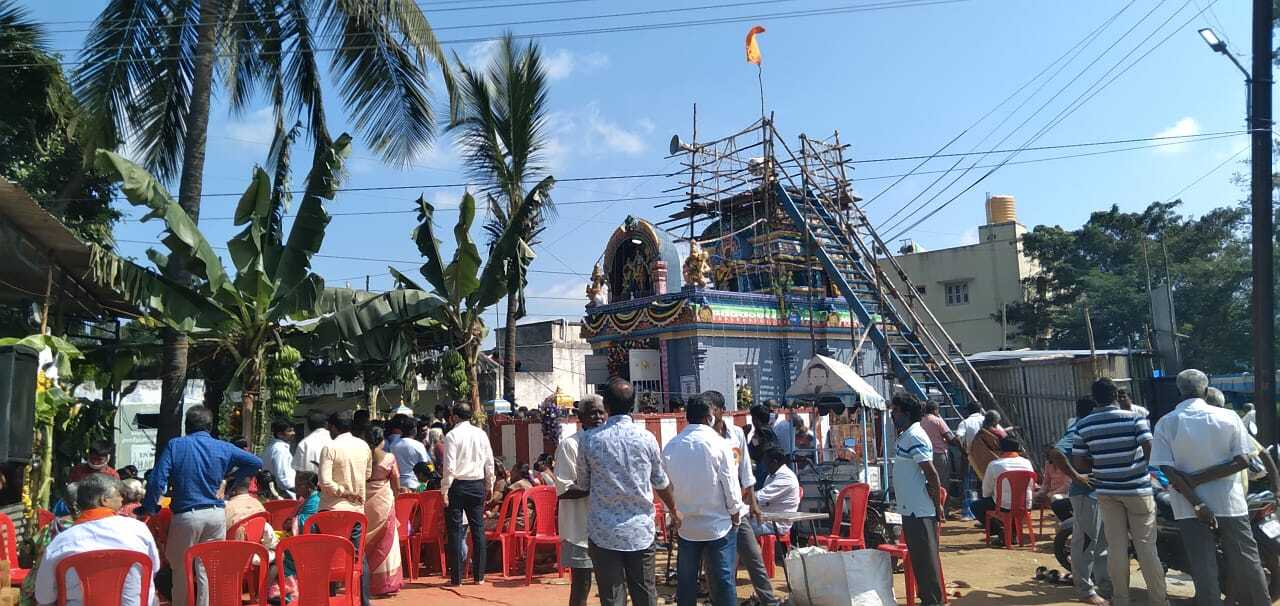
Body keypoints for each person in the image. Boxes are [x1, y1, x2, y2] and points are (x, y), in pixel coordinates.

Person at [1151, 369, 1268, 606]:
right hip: (1230, 502)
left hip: (1188, 505)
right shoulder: (1229, 417)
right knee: (1248, 559)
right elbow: (1243, 461)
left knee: (1202, 564)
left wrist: (1196, 496)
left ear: (1179, 390)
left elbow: (1166, 469)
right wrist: (1201, 478)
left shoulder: (1166, 422)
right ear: (1206, 389)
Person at [562, 378, 678, 606]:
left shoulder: (589, 440)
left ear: (607, 406)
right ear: (633, 404)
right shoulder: (647, 438)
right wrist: (674, 509)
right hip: (640, 532)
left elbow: (584, 485)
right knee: (645, 593)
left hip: (603, 532)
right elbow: (661, 482)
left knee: (612, 597)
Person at [141, 406, 261, 606]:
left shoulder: (176, 445)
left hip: (187, 516)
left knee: (180, 569)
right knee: (206, 569)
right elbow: (255, 462)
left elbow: (157, 480)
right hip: (216, 515)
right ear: (210, 426)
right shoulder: (223, 447)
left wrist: (150, 507)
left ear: (186, 426)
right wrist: (230, 480)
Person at [1072, 378, 1166, 606]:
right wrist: (1134, 467)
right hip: (1138, 489)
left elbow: (1079, 463)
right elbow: (1150, 451)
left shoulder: (1083, 425)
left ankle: (1121, 599)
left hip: (1106, 492)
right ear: (1116, 395)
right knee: (1146, 548)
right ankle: (1159, 601)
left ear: (1095, 399)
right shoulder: (1135, 418)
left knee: (1116, 548)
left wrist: (1102, 467)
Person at [663, 397, 743, 606]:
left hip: (686, 525)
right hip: (718, 524)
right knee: (723, 579)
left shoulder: (672, 445)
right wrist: (735, 513)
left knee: (686, 581)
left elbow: (665, 485)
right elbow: (730, 483)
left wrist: (671, 514)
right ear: (709, 417)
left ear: (687, 417)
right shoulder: (720, 444)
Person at [35, 474, 161, 606]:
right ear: (104, 500)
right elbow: (153, 568)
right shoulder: (139, 530)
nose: (122, 499)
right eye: (119, 495)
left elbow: (44, 597)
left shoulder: (60, 542)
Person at [703, 390, 779, 606]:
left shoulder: (736, 434)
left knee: (754, 558)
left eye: (711, 409)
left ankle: (769, 601)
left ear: (720, 411)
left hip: (739, 509)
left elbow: (746, 471)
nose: (707, 414)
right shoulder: (703, 438)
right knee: (717, 564)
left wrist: (754, 504)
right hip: (714, 511)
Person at [1049, 397, 1111, 606]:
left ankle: (1104, 586)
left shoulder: (1086, 426)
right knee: (1085, 543)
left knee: (1101, 543)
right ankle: (1085, 591)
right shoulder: (1079, 428)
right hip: (1085, 495)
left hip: (1098, 493)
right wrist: (1078, 477)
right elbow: (1057, 452)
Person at [889, 393, 945, 606]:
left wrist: (938, 505)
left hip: (920, 510)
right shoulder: (907, 435)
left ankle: (933, 602)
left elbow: (931, 474)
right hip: (910, 508)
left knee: (926, 561)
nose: (893, 415)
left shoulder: (915, 436)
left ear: (905, 413)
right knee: (920, 560)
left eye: (895, 411)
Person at [554, 394, 607, 606]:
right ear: (581, 417)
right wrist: (598, 484)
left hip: (607, 529)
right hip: (579, 529)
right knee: (581, 585)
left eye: (601, 412)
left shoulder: (608, 443)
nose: (598, 417)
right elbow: (564, 489)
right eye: (592, 413)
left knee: (610, 585)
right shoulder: (570, 446)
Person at [317, 410, 374, 606]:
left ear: (333, 427)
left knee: (327, 556)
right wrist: (351, 490)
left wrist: (342, 491)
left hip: (331, 511)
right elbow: (367, 475)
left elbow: (324, 482)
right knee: (359, 557)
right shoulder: (364, 446)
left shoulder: (330, 447)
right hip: (356, 511)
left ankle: (330, 599)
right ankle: (364, 600)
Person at [440, 402, 495, 586]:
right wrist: (489, 484)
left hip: (458, 485)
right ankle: (479, 576)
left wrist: (444, 490)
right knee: (478, 529)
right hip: (477, 484)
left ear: (454, 417)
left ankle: (457, 578)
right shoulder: (480, 434)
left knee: (455, 531)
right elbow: (489, 462)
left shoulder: (452, 436)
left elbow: (449, 467)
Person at [362, 424, 403, 596]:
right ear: (381, 440)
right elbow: (397, 483)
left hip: (365, 500)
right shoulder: (389, 457)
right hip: (384, 500)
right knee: (387, 541)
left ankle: (366, 583)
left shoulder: (362, 458)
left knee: (366, 540)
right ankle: (385, 583)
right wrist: (396, 497)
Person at [971, 437, 1035, 542]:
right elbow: (1031, 486)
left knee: (976, 506)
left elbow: (986, 491)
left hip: (1003, 507)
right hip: (1025, 505)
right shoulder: (1027, 463)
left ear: (1000, 450)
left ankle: (1000, 530)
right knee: (1011, 504)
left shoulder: (994, 465)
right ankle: (1011, 532)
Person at [920, 401, 961, 508]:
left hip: (925, 456)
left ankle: (930, 508)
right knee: (942, 483)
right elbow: (950, 438)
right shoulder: (938, 421)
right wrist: (959, 441)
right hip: (939, 455)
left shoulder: (920, 421)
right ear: (935, 410)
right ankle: (944, 509)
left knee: (929, 482)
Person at [753, 447, 800, 537]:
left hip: (775, 525)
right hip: (765, 519)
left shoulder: (786, 478)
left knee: (740, 529)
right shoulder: (771, 476)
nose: (764, 465)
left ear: (774, 462)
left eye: (765, 462)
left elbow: (757, 497)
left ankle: (753, 551)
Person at [385, 415, 431, 493]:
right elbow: (427, 466)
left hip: (399, 485)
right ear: (414, 430)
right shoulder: (418, 445)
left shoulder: (393, 445)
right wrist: (423, 485)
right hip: (416, 485)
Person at [967, 411, 1006, 479]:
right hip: (1000, 469)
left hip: (983, 471)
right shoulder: (999, 434)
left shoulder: (978, 436)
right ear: (994, 422)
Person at [264, 419, 297, 498]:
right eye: (289, 431)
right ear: (280, 434)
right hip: (286, 496)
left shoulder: (273, 447)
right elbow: (283, 478)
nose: (293, 433)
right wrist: (298, 491)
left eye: (293, 430)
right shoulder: (280, 450)